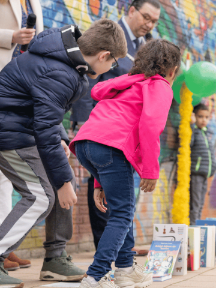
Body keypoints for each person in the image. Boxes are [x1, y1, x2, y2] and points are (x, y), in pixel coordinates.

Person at [0, 19, 127, 288]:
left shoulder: (65, 61)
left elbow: (47, 113)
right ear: (103, 55)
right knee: (41, 196)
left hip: (22, 129)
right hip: (9, 132)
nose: (111, 68)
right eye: (113, 62)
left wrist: (61, 139)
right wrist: (62, 181)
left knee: (61, 179)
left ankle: (55, 259)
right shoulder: (61, 71)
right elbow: (44, 125)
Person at [69, 38, 180, 288]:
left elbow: (105, 129)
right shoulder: (160, 86)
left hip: (87, 144)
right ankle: (95, 276)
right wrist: (151, 171)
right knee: (122, 213)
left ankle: (125, 269)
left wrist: (99, 182)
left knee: (122, 208)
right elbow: (150, 127)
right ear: (173, 70)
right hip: (110, 148)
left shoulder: (125, 86)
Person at [70, 0, 160, 256]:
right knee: (100, 183)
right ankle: (105, 244)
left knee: (119, 187)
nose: (149, 24)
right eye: (146, 17)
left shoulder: (145, 45)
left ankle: (121, 245)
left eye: (154, 21)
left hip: (124, 134)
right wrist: (87, 121)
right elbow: (90, 76)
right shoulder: (111, 35)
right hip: (98, 125)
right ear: (131, 10)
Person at [0, 0, 44, 271]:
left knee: (4, 179)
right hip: (2, 82)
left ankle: (4, 245)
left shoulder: (34, 2)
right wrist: (10, 37)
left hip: (17, 92)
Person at [189, 104, 216, 225]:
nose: (203, 120)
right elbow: (187, 144)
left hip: (204, 174)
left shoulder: (206, 133)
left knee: (201, 203)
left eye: (206, 117)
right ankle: (193, 228)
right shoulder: (194, 132)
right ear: (194, 117)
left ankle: (197, 227)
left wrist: (214, 167)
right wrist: (190, 125)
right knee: (195, 204)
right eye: (200, 116)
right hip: (196, 174)